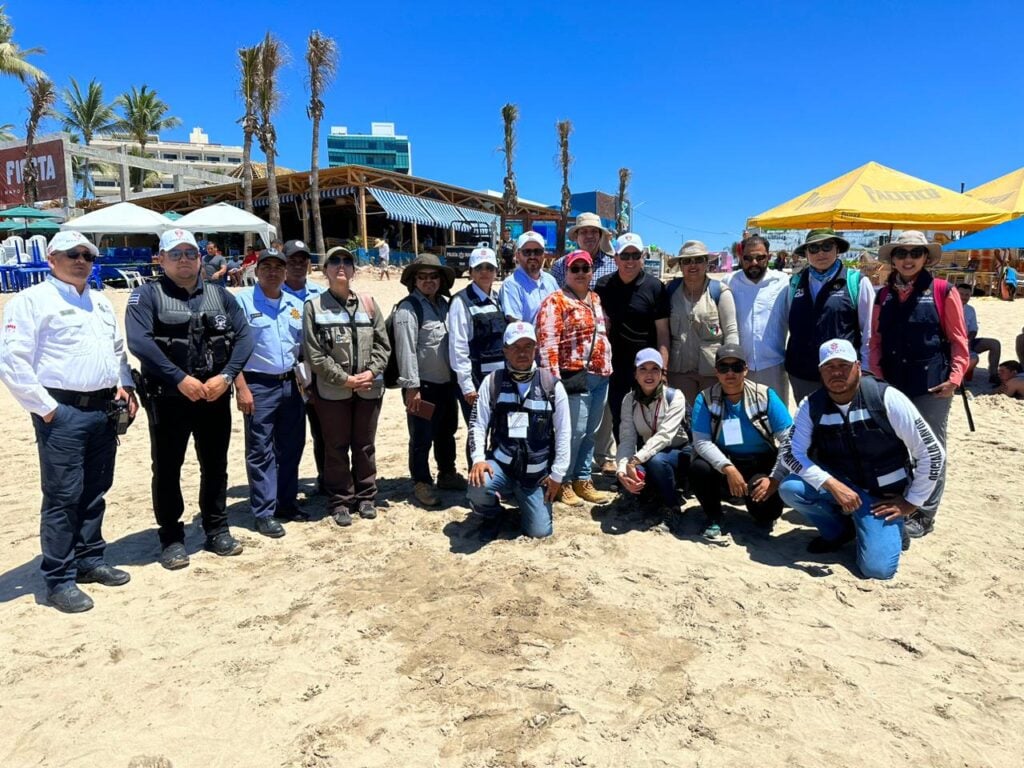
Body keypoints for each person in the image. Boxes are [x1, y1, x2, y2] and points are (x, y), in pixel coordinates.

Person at [0, 231, 137, 613]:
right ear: (51, 258)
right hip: (61, 411)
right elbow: (12, 361)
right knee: (62, 496)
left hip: (103, 408)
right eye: (72, 254)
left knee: (96, 489)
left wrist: (125, 385)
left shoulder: (99, 301)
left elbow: (115, 350)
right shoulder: (31, 301)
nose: (81, 260)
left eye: (88, 255)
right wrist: (47, 409)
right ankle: (59, 578)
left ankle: (90, 559)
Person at [125, 228, 254, 571]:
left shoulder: (221, 295)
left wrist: (226, 378)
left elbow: (243, 338)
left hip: (213, 394)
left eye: (190, 254)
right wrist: (178, 378)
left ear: (200, 258)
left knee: (216, 465)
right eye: (176, 254)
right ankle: (171, 537)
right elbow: (140, 342)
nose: (184, 260)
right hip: (168, 398)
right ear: (162, 258)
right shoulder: (146, 296)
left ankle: (216, 527)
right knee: (167, 468)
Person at [779, 339, 945, 580]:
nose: (836, 372)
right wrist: (832, 485)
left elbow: (932, 452)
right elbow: (792, 454)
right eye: (829, 366)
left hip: (882, 498)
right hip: (842, 487)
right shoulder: (811, 405)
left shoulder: (886, 398)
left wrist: (911, 502)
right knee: (791, 488)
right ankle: (840, 531)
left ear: (858, 366)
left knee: (878, 571)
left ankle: (886, 529)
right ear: (820, 371)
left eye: (843, 365)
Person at [869, 231, 968, 538]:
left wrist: (954, 379)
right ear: (893, 259)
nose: (908, 259)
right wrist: (876, 376)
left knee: (931, 448)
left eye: (915, 253)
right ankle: (901, 499)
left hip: (932, 385)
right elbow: (876, 341)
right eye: (901, 253)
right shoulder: (883, 295)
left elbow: (959, 340)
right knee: (897, 444)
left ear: (926, 258)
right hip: (892, 383)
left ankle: (925, 513)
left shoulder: (942, 290)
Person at [303, 247, 390, 526]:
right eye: (335, 261)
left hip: (368, 389)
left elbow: (382, 344)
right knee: (336, 447)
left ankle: (366, 496)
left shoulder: (369, 304)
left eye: (347, 261)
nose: (341, 266)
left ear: (354, 270)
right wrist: (345, 379)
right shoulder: (314, 308)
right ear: (325, 269)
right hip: (332, 391)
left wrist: (371, 371)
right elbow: (314, 354)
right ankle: (340, 500)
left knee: (364, 445)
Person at [467, 322, 570, 540]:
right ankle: (492, 515)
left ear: (536, 348)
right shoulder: (492, 381)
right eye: (515, 347)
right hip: (502, 467)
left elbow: (563, 433)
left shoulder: (552, 385)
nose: (522, 352)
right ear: (505, 350)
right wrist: (478, 459)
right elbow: (477, 423)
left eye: (527, 346)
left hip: (536, 474)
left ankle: (526, 506)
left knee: (540, 532)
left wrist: (557, 475)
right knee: (478, 486)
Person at [234, 247, 308, 538]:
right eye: (267, 267)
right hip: (258, 384)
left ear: (285, 271)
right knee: (260, 449)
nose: (273, 272)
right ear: (256, 270)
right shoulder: (241, 301)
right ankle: (264, 512)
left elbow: (302, 348)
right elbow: (231, 349)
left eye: (279, 267)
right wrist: (241, 388)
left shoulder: (294, 304)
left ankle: (286, 503)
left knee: (291, 446)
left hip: (291, 383)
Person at [689, 344, 792, 539]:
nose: (730, 373)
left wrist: (774, 478)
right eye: (724, 368)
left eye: (736, 367)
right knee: (698, 468)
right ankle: (714, 517)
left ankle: (757, 508)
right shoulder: (705, 399)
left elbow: (789, 439)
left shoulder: (765, 395)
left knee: (767, 513)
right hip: (726, 463)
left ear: (745, 369)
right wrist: (728, 468)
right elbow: (701, 442)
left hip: (760, 462)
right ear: (716, 372)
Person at [536, 250, 614, 506]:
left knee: (590, 431)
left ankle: (583, 478)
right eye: (575, 269)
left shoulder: (596, 299)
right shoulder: (555, 301)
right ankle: (564, 480)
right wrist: (552, 381)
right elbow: (547, 343)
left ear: (592, 271)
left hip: (600, 375)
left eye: (585, 268)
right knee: (572, 432)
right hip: (573, 376)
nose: (581, 273)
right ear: (566, 273)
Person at [394, 254, 467, 507]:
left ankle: (447, 473)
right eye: (422, 276)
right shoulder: (408, 309)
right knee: (422, 436)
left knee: (447, 431)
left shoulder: (446, 305)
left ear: (440, 280)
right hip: (422, 386)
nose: (428, 281)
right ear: (414, 280)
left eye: (433, 276)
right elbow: (406, 351)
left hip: (447, 385)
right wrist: (411, 388)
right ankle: (421, 482)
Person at [785, 229, 874, 404]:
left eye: (827, 247)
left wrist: (866, 368)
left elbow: (869, 330)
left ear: (837, 249)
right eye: (814, 248)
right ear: (806, 254)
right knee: (810, 426)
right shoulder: (794, 283)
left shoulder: (856, 281)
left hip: (842, 374)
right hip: (803, 373)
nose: (820, 253)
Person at [595, 231, 669, 441]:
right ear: (616, 258)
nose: (630, 261)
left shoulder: (655, 287)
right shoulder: (603, 286)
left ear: (642, 257)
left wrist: (662, 370)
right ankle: (625, 467)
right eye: (624, 256)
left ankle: (647, 468)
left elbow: (663, 333)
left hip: (647, 367)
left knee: (650, 421)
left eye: (635, 255)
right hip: (615, 367)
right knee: (620, 419)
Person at [616, 349, 689, 515]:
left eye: (654, 369)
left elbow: (665, 435)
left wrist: (635, 460)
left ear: (662, 373)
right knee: (635, 472)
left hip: (679, 450)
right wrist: (621, 471)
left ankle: (672, 506)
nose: (649, 375)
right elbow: (627, 439)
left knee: (656, 461)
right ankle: (650, 494)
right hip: (648, 452)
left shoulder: (675, 396)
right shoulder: (629, 400)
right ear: (635, 374)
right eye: (643, 369)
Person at [666, 240, 739, 406]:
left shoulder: (720, 292)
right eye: (687, 261)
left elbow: (731, 331)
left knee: (712, 419)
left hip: (713, 373)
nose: (693, 265)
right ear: (680, 265)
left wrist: (730, 366)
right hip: (679, 372)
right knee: (684, 420)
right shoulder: (669, 291)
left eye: (698, 260)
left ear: (706, 262)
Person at [281, 239, 327, 493]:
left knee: (323, 431)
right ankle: (286, 487)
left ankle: (325, 478)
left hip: (317, 372)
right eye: (292, 261)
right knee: (290, 435)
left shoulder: (320, 293)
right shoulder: (274, 294)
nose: (298, 265)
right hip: (290, 373)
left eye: (303, 260)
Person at [722, 234, 791, 403]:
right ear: (740, 258)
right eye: (748, 258)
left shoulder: (784, 282)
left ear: (769, 257)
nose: (754, 263)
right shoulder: (728, 282)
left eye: (760, 258)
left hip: (774, 366)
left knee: (776, 421)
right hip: (738, 368)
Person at [448, 246, 507, 424]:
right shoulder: (461, 302)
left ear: (496, 271)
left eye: (489, 268)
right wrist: (467, 386)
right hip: (476, 380)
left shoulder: (499, 299)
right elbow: (458, 347)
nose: (484, 272)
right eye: (479, 268)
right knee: (478, 432)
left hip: (499, 379)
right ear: (471, 271)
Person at [499, 231, 558, 324]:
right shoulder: (511, 285)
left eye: (537, 251)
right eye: (527, 252)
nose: (532, 256)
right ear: (518, 255)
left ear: (544, 254)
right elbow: (517, 325)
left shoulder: (551, 280)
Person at [550, 212, 617, 288]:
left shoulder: (614, 265)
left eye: (594, 231)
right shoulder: (560, 266)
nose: (589, 236)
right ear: (576, 236)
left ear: (600, 236)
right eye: (584, 232)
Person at [956, 282, 1001, 385]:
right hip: (953, 342)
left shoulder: (970, 310)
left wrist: (969, 339)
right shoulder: (947, 306)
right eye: (961, 294)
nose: (964, 297)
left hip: (968, 340)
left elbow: (973, 329)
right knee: (974, 357)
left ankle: (993, 374)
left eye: (967, 295)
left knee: (994, 343)